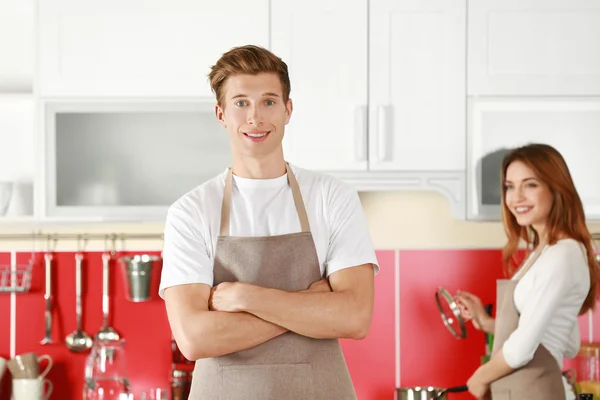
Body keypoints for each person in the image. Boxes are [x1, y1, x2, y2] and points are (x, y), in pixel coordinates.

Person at [158, 45, 379, 400]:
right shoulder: (191, 212)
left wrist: (246, 297)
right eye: (241, 102)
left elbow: (355, 317)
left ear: (288, 109)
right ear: (221, 114)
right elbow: (195, 338)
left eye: (269, 102)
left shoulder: (331, 197)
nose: (255, 118)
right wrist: (310, 303)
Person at [457, 143, 599, 399]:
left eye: (530, 184)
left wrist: (481, 377)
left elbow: (521, 349)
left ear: (556, 188)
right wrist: (485, 322)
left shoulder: (562, 254)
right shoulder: (543, 252)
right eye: (510, 186)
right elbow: (567, 343)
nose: (516, 197)